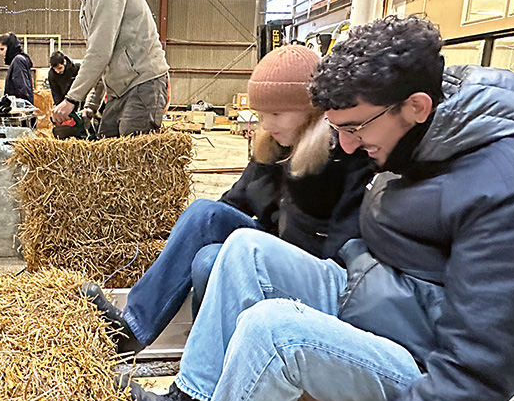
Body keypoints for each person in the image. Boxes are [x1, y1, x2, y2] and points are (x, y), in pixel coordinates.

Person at [129, 16, 514, 401]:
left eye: (354, 129)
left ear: (416, 106)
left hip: (422, 363)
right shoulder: (423, 135)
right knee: (244, 250)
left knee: (275, 329)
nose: (346, 147)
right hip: (378, 298)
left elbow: (480, 370)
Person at [84, 45, 372, 355]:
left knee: (210, 263)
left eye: (276, 114)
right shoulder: (272, 146)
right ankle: (131, 329)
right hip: (265, 244)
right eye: (262, 114)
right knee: (204, 214)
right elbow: (233, 203)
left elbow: (340, 249)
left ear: (313, 110)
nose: (268, 123)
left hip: (306, 267)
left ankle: (209, 367)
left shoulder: (340, 156)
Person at [38, 0, 169, 137]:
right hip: (119, 90)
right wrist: (91, 106)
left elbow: (100, 50)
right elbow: (101, 61)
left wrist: (72, 99)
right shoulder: (87, 0)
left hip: (143, 83)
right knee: (105, 147)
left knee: (129, 160)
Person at [47, 50, 85, 139]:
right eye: (55, 69)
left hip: (78, 97)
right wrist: (59, 106)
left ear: (64, 62)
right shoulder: (52, 74)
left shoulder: (75, 69)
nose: (57, 71)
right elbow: (55, 92)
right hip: (63, 99)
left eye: (59, 68)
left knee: (81, 120)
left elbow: (82, 86)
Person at [0, 32, 35, 103]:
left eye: (2, 49)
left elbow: (22, 88)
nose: (1, 53)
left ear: (10, 47)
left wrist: (21, 106)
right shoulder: (17, 61)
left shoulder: (18, 61)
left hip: (20, 108)